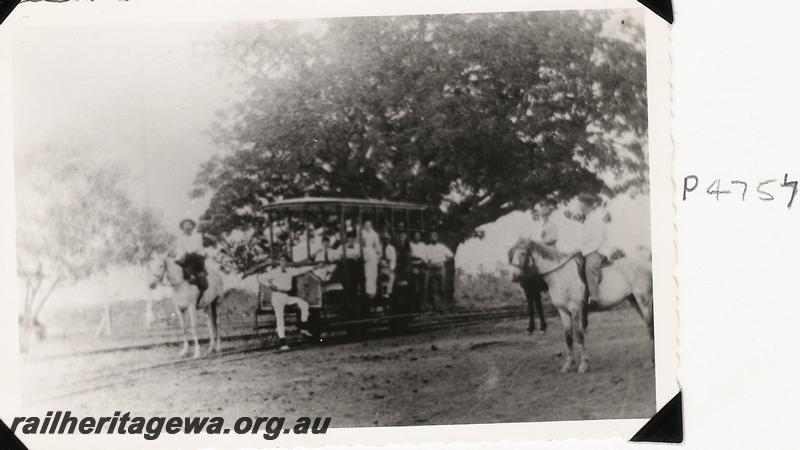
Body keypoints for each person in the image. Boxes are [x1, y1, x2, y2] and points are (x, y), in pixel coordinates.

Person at [262, 254, 313, 351]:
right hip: (277, 297)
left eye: (285, 260)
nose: (283, 262)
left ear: (287, 262)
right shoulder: (274, 272)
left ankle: (303, 328)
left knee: (304, 304)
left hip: (286, 296)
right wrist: (270, 284)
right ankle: (283, 344)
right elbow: (262, 278)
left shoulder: (290, 271)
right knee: (280, 319)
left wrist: (315, 266)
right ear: (279, 262)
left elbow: (301, 270)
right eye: (281, 260)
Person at [576, 192, 611, 306]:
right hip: (588, 250)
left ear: (584, 205)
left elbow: (599, 239)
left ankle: (595, 297)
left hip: (597, 250)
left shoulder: (596, 218)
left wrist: (585, 250)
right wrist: (578, 249)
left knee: (590, 268)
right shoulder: (587, 219)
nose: (578, 207)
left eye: (579, 204)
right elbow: (585, 239)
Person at [175, 218, 208, 306]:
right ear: (183, 228)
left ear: (193, 227)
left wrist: (185, 254)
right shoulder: (181, 239)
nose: (187, 227)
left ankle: (196, 275)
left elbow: (196, 248)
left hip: (198, 258)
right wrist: (180, 257)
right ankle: (189, 277)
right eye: (185, 226)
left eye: (189, 225)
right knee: (177, 263)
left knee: (192, 256)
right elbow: (179, 250)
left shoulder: (198, 236)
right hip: (187, 260)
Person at [425, 231, 454, 312]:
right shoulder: (427, 247)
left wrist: (443, 261)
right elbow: (424, 258)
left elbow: (451, 255)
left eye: (435, 236)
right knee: (433, 287)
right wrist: (428, 263)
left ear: (437, 237)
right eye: (431, 236)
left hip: (440, 268)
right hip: (431, 268)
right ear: (430, 238)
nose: (433, 238)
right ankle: (435, 306)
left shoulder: (441, 247)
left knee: (441, 287)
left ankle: (442, 306)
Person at [361, 220, 382, 299]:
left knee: (372, 274)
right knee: (366, 274)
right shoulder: (361, 233)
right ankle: (366, 291)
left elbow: (377, 246)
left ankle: (372, 292)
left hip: (372, 255)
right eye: (365, 224)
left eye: (368, 224)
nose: (367, 226)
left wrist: (377, 257)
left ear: (371, 225)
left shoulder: (374, 234)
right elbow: (359, 243)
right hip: (363, 253)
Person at [379, 231, 397, 298]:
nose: (385, 241)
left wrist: (391, 268)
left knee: (392, 276)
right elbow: (377, 258)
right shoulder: (379, 247)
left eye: (386, 239)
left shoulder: (391, 248)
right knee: (380, 277)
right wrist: (380, 263)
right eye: (384, 239)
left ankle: (388, 293)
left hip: (388, 267)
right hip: (380, 267)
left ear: (389, 240)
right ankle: (381, 293)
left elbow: (393, 259)